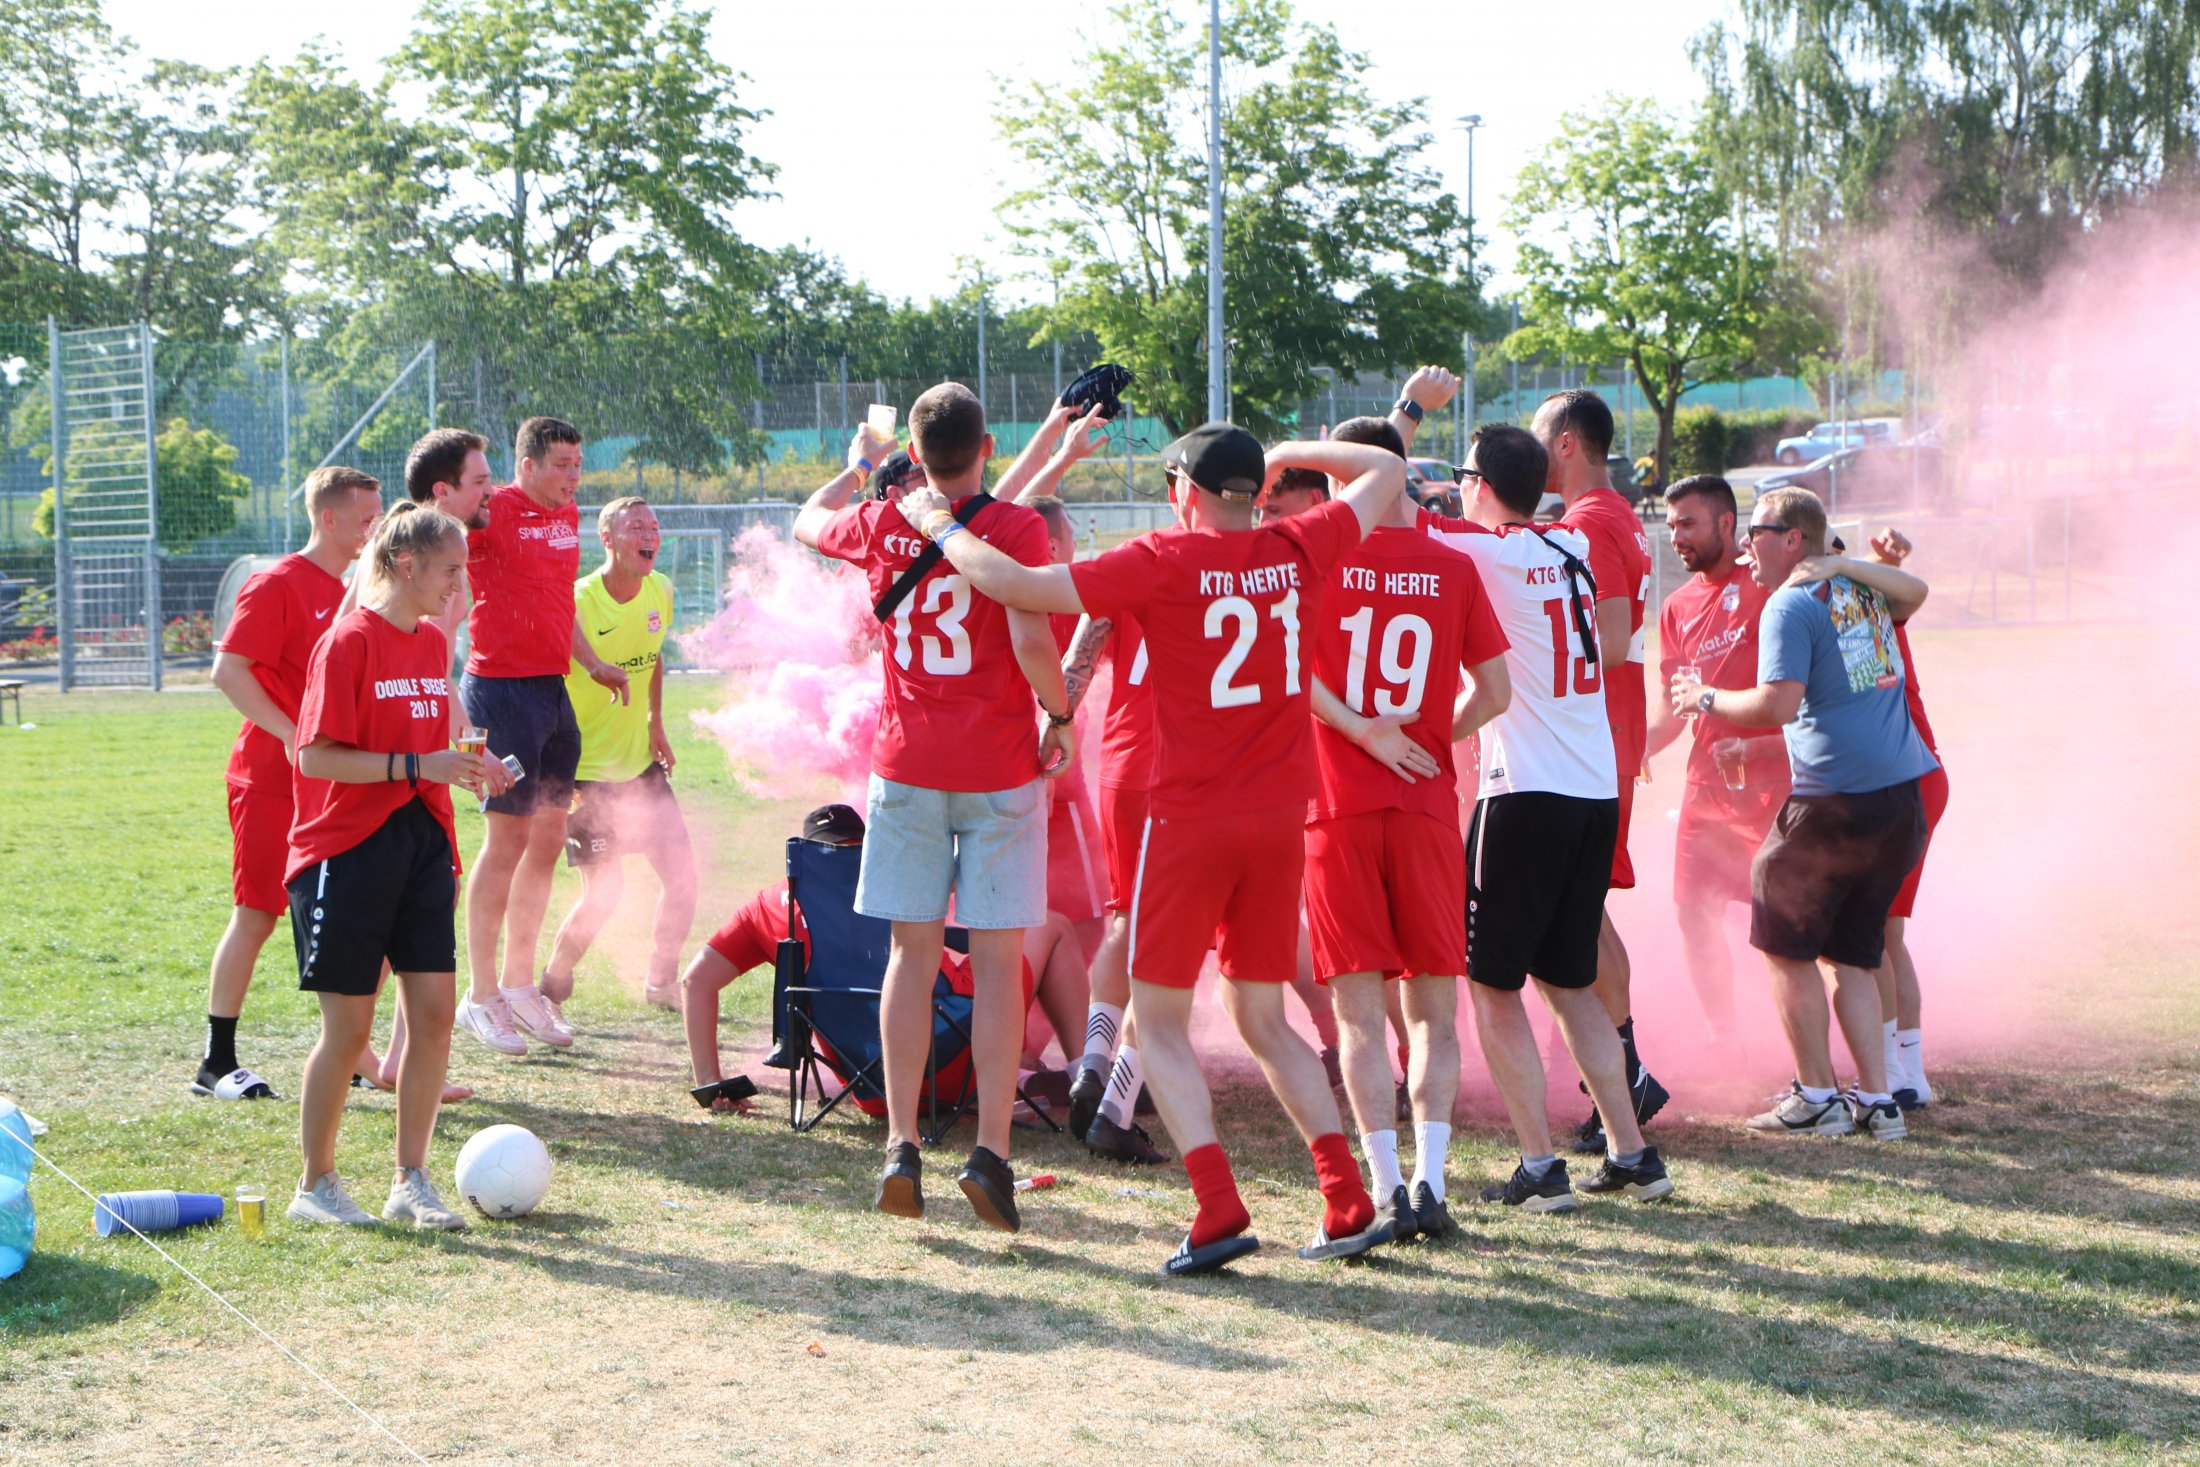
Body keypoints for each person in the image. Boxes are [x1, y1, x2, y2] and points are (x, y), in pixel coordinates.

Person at [896, 425, 1408, 1274]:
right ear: (1254, 490)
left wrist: (937, 523)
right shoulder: (1297, 543)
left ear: (1185, 491)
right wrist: (1287, 451)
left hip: (1191, 817)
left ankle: (1217, 1206)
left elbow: (1014, 582)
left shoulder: (1165, 558)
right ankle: (1346, 1195)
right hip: (1280, 815)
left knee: (1159, 1021)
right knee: (1263, 1016)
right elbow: (1387, 466)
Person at [793, 384, 1073, 1234]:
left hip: (906, 764)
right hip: (998, 768)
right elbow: (1031, 638)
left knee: (909, 957)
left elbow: (806, 521)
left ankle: (902, 1144)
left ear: (913, 453)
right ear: (986, 445)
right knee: (997, 963)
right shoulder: (1016, 527)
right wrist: (1058, 717)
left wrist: (858, 469)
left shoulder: (882, 519)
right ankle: (989, 1151)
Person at [1426, 424, 1675, 1211]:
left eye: (1463, 476)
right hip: (1592, 792)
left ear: (1478, 485)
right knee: (1571, 985)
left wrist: (1406, 419)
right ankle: (1633, 1154)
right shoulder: (1570, 544)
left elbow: (1387, 508)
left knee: (1492, 986)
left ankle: (1539, 1166)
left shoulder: (1486, 550)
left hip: (1524, 794)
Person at [1302, 414, 1514, 1241]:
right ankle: (1431, 1182)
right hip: (1425, 804)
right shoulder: (1453, 565)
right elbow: (1495, 692)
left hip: (1338, 807)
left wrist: (1363, 733)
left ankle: (1387, 1187)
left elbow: (1293, 673)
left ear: (1343, 482)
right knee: (1433, 1012)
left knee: (1359, 1014)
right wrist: (1425, 739)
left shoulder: (1319, 561)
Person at [1675, 488, 1937, 1141]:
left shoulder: (1789, 603)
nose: (1745, 545)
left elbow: (1778, 705)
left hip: (1834, 802)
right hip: (1900, 800)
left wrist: (1703, 696)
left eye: (1756, 532)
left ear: (1792, 539)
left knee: (1782, 942)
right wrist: (1848, 565)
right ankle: (1877, 1100)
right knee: (1852, 952)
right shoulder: (1859, 592)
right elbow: (1913, 592)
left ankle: (1816, 1095)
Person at [284, 503, 512, 1228]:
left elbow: (434, 742)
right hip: (346, 850)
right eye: (449, 570)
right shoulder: (347, 641)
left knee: (435, 1017)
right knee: (350, 1031)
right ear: (406, 564)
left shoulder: (431, 642)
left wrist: (468, 770)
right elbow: (314, 756)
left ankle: (411, 1181)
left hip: (423, 844)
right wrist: (420, 764)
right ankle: (315, 1185)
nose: (458, 585)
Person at [199, 466, 385, 1101]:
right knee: (257, 915)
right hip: (270, 782)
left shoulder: (358, 588)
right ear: (328, 519)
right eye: (366, 518)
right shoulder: (276, 583)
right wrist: (290, 733)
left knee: (352, 915)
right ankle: (216, 1063)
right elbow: (228, 671)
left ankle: (352, 1053)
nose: (375, 529)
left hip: (334, 783)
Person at [455, 417, 631, 1059]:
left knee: (549, 837)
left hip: (553, 694)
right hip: (498, 692)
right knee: (506, 840)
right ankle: (480, 997)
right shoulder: (489, 511)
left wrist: (592, 662)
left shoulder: (568, 513)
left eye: (578, 463)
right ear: (525, 465)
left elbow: (559, 602)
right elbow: (437, 561)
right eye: (561, 464)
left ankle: (519, 984)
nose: (573, 475)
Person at [1532, 390, 1668, 1153]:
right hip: (1604, 733)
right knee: (1585, 911)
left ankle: (1626, 1072)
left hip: (1594, 736)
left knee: (1579, 913)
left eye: (1538, 436)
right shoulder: (1612, 515)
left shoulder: (1589, 522)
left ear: (1566, 444)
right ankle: (1624, 1071)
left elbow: (1609, 639)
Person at [1642, 476, 1789, 1046]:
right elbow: (1672, 710)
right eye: (1671, 525)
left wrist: (1762, 745)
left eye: (1688, 523)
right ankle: (1724, 1041)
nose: (1676, 536)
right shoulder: (1675, 607)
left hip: (1777, 786)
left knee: (1787, 919)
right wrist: (1631, 750)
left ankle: (1812, 1043)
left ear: (1727, 524)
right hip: (1706, 789)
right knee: (1693, 913)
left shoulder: (1766, 583)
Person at [541, 497, 697, 1013]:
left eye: (654, 526)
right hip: (585, 774)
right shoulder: (578, 601)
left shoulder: (661, 590)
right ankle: (551, 985)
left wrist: (655, 722)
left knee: (682, 880)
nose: (649, 535)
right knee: (605, 893)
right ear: (606, 539)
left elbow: (652, 660)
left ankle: (660, 980)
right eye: (636, 528)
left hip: (641, 770)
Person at [678, 803, 867, 1113]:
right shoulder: (897, 896)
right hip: (942, 1069)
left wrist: (709, 1081)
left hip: (872, 1086)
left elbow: (695, 981)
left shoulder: (771, 906)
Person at [1851, 528, 1949, 1111]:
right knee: (1887, 932)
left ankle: (1890, 1071)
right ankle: (1906, 1071)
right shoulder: (1860, 603)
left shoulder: (1857, 611)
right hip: (1915, 777)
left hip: (1903, 781)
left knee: (1875, 931)